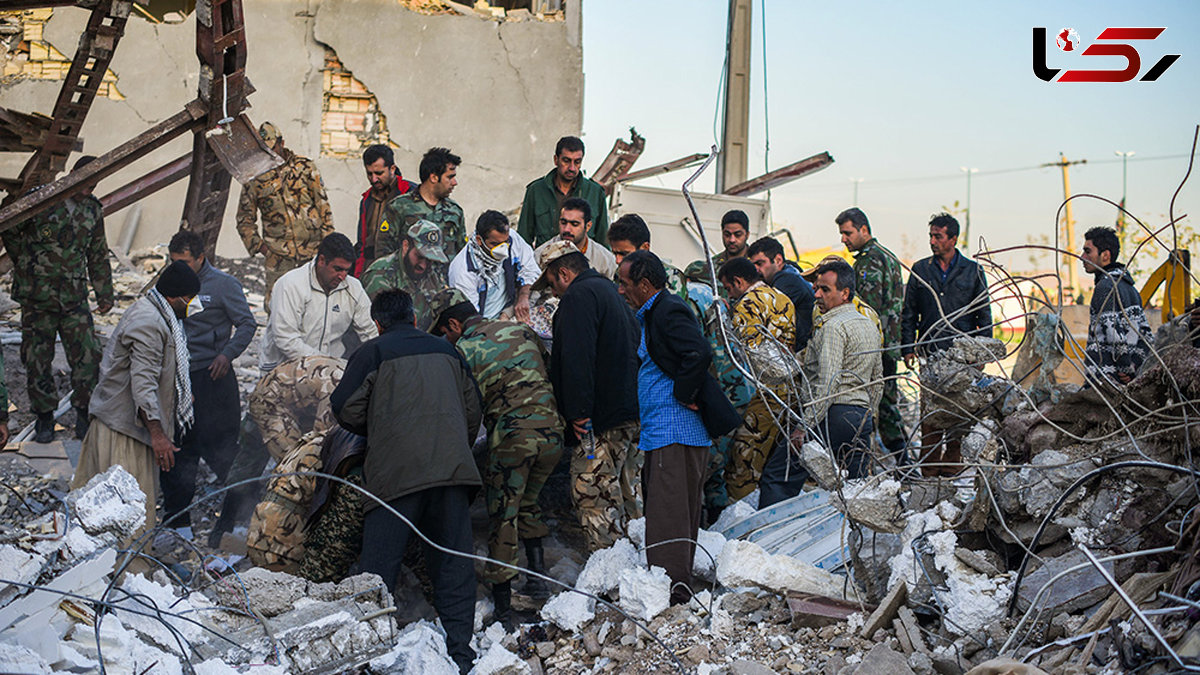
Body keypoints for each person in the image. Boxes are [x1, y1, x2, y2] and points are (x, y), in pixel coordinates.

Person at [331, 289, 482, 674]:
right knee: (453, 566)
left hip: (394, 478)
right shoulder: (448, 351)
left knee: (378, 571)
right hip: (451, 474)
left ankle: (369, 654)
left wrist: (380, 424)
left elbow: (345, 409)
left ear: (378, 323)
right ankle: (461, 656)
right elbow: (472, 409)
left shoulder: (373, 352)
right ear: (414, 318)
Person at [428, 288, 563, 623]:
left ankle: (503, 603)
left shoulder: (464, 349)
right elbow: (547, 371)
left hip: (514, 439)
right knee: (529, 503)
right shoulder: (520, 329)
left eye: (444, 332)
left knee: (503, 515)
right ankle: (537, 581)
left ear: (455, 324)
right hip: (552, 434)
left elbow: (467, 409)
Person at [617, 251, 739, 604]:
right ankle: (676, 586)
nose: (622, 291)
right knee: (670, 510)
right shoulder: (653, 312)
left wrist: (685, 393)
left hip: (676, 430)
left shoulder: (668, 309)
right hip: (664, 430)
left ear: (644, 284)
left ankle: (671, 592)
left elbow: (698, 353)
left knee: (668, 514)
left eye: (626, 284)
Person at [72, 260, 200, 538]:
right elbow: (143, 384)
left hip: (127, 426)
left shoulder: (156, 313)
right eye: (189, 299)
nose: (192, 305)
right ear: (174, 297)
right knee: (122, 512)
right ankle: (124, 572)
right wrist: (158, 434)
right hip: (124, 431)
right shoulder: (149, 323)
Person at [534, 240, 642, 552]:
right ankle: (638, 565)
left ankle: (611, 572)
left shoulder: (578, 297)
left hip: (600, 419)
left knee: (591, 492)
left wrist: (578, 412)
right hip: (630, 412)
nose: (553, 292)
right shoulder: (611, 293)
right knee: (626, 493)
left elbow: (575, 357)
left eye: (552, 283)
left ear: (564, 273)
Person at [3, 155, 114, 443]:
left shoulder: (92, 211)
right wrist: (28, 265)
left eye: (95, 182)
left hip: (74, 298)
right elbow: (10, 229)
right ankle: (44, 418)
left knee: (88, 357)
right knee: (37, 360)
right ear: (73, 175)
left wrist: (104, 293)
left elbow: (97, 253)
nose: (91, 187)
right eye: (87, 180)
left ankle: (82, 414)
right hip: (37, 298)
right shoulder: (41, 201)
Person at [161, 231, 257, 536]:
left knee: (224, 452)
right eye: (174, 261)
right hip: (179, 381)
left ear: (201, 257)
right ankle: (178, 525)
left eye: (185, 262)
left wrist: (227, 355)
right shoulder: (169, 284)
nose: (178, 267)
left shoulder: (224, 286)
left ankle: (237, 521)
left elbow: (247, 323)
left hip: (213, 380)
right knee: (179, 453)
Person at [900, 212, 992, 476]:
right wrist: (908, 347)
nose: (932, 241)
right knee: (930, 413)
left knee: (959, 413)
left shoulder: (973, 271)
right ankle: (929, 470)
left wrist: (982, 351)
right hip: (931, 354)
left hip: (961, 358)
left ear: (953, 238)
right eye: (931, 235)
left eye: (938, 236)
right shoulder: (921, 269)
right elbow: (909, 312)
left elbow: (983, 313)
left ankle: (951, 466)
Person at [717, 257, 797, 501]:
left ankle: (741, 521)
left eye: (729, 288)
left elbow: (743, 357)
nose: (729, 294)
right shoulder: (783, 299)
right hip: (788, 392)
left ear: (739, 282)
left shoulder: (746, 306)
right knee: (774, 461)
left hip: (761, 395)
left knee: (743, 464)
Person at [236, 122, 335, 311]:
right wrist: (262, 248)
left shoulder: (305, 167)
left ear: (281, 143)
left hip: (313, 255)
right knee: (277, 308)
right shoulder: (254, 177)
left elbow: (324, 209)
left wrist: (328, 248)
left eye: (272, 148)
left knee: (315, 307)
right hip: (279, 258)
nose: (269, 154)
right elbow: (244, 220)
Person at [800, 259, 883, 479]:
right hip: (859, 417)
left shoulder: (833, 327)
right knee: (856, 485)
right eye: (816, 288)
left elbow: (828, 383)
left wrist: (804, 427)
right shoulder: (868, 324)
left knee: (784, 472)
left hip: (834, 413)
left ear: (845, 293)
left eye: (824, 289)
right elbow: (878, 381)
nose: (817, 295)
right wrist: (867, 415)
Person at [836, 207, 907, 457]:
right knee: (886, 401)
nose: (844, 239)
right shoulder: (887, 255)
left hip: (874, 346)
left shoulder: (869, 261)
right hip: (889, 344)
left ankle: (892, 460)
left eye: (847, 233)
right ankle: (900, 461)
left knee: (871, 404)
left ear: (863, 230)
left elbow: (867, 309)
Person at [260, 233, 377, 372]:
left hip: (331, 369)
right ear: (321, 260)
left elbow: (370, 332)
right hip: (285, 368)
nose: (342, 276)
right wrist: (326, 364)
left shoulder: (353, 287)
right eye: (338, 269)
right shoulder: (291, 285)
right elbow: (286, 339)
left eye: (347, 270)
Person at [1080, 226, 1153, 386]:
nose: (1082, 257)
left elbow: (1112, 332)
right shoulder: (1131, 288)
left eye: (1088, 251)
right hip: (1127, 384)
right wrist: (1133, 367)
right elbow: (1147, 336)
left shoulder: (1105, 287)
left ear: (1105, 255)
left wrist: (1125, 368)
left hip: (1104, 381)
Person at [376, 146, 464, 264]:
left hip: (444, 281)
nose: (454, 182)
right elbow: (384, 252)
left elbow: (461, 254)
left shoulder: (455, 211)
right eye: (450, 177)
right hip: (410, 281)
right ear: (433, 177)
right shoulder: (399, 207)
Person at [518, 135, 610, 247]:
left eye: (577, 162)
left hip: (584, 262)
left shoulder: (595, 193)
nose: (572, 167)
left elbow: (603, 241)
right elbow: (523, 240)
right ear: (556, 160)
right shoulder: (536, 190)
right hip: (545, 261)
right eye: (566, 161)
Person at [447, 210, 539, 322]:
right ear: (479, 240)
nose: (503, 250)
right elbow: (470, 318)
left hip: (509, 309)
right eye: (495, 244)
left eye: (505, 242)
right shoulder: (463, 271)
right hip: (484, 324)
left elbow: (530, 269)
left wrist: (523, 297)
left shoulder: (513, 240)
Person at [362, 221, 450, 331]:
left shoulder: (432, 273)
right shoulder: (380, 275)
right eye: (419, 257)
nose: (423, 265)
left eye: (429, 260)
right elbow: (378, 328)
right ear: (406, 246)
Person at [354, 144, 414, 276]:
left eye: (379, 173)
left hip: (400, 273)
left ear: (392, 169)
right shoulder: (366, 200)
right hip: (370, 273)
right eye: (369, 174)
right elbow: (362, 243)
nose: (374, 179)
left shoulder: (410, 195)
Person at [747, 236, 815, 350]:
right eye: (753, 265)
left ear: (778, 260)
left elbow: (765, 311)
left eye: (760, 263)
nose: (756, 270)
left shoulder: (788, 280)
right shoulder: (790, 273)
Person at [607, 213, 689, 301]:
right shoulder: (620, 273)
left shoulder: (671, 276)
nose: (618, 260)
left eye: (624, 254)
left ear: (645, 248)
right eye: (615, 253)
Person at [536, 197, 617, 280]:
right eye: (563, 223)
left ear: (588, 226)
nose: (567, 229)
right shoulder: (540, 255)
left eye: (574, 224)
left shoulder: (605, 260)